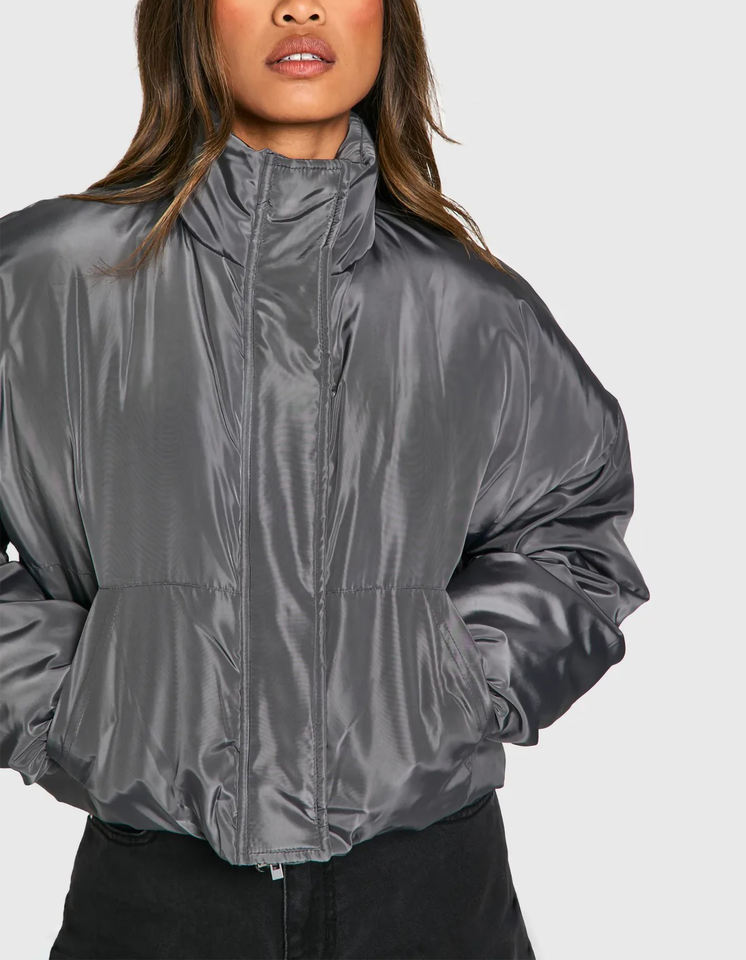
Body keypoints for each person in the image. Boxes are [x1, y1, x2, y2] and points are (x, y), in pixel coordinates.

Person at [0, 1, 650, 958]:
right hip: (157, 893)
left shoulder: (471, 306)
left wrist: (457, 690)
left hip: (430, 890)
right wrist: (67, 710)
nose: (299, 7)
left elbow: (574, 527)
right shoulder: (44, 282)